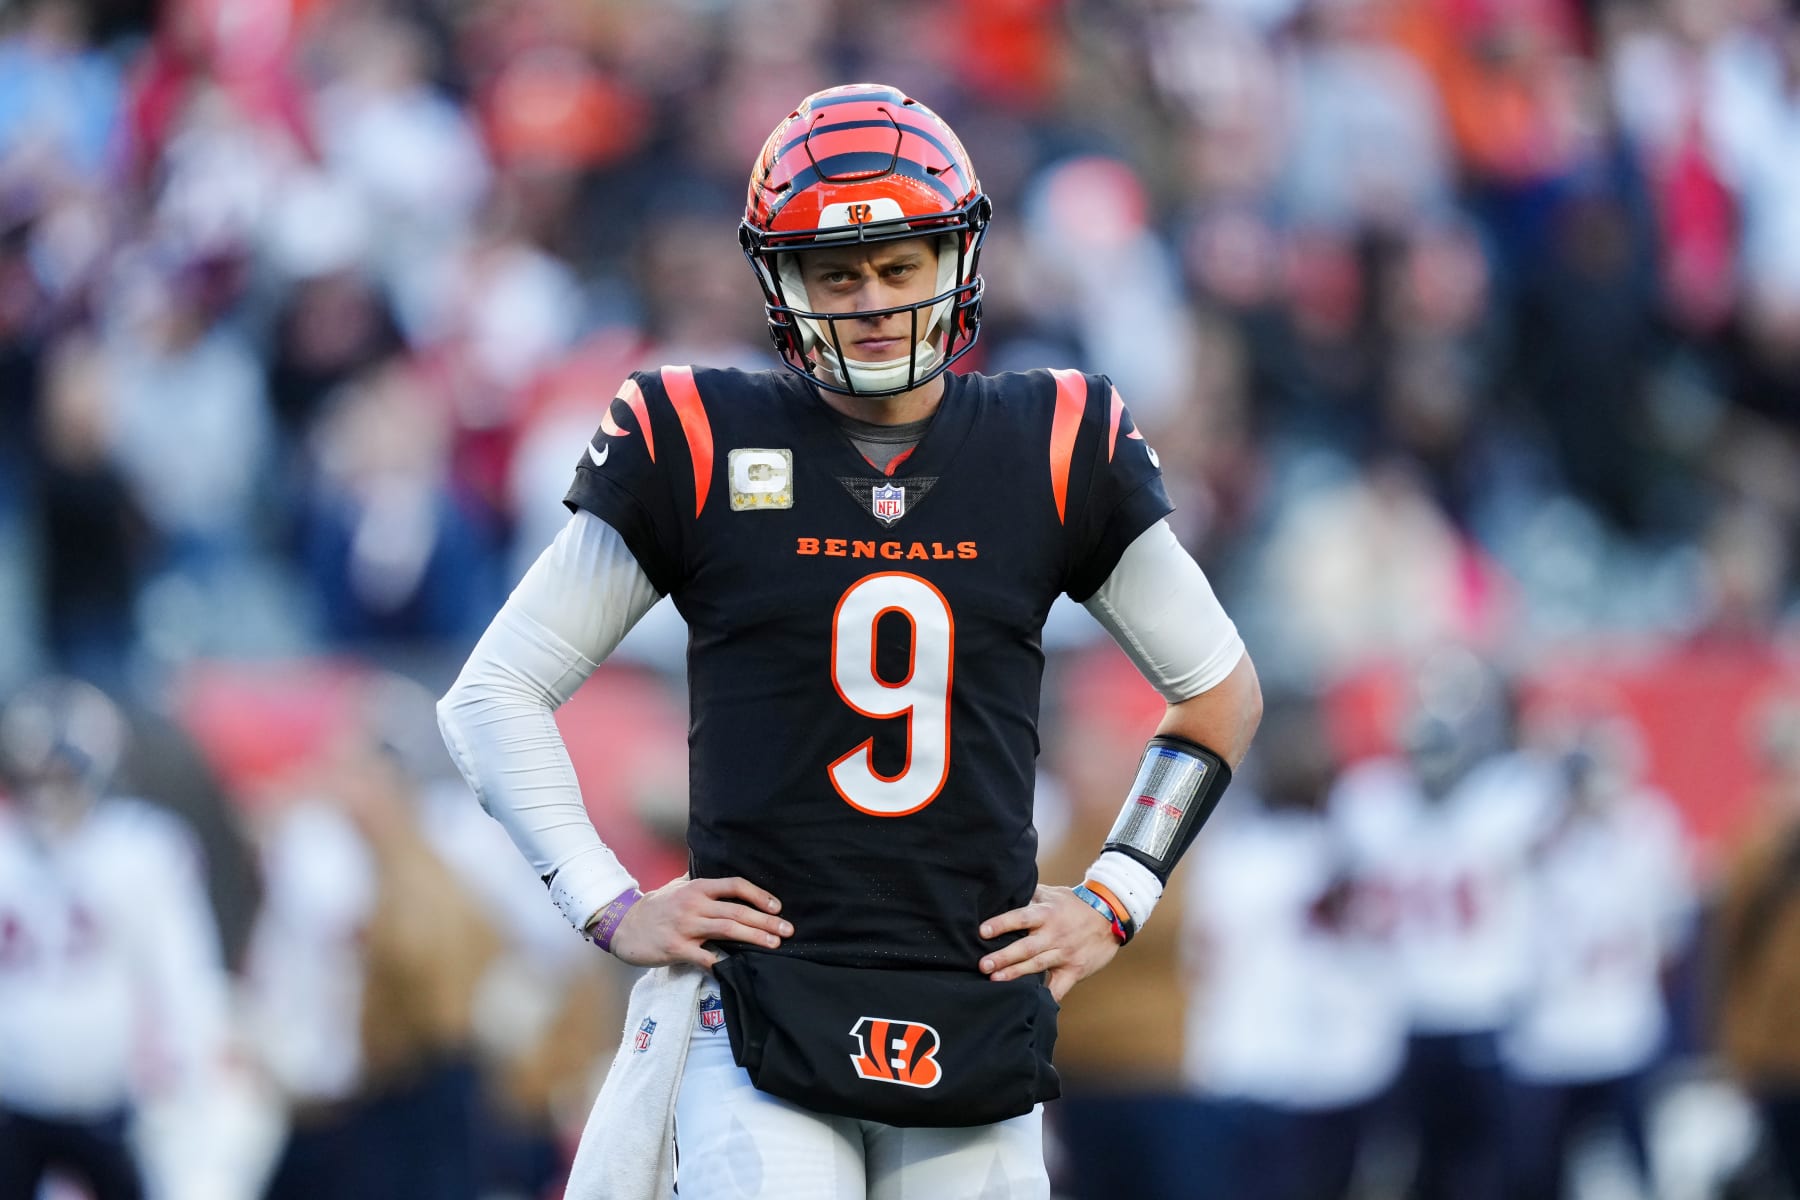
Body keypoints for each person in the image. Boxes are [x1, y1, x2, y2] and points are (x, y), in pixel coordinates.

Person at [438, 82, 1261, 1199]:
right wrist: (607, 899)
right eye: (837, 272)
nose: (871, 298)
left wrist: (1116, 893)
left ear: (954, 262)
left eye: (899, 264)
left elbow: (1217, 693)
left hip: (970, 1004)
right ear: (784, 282)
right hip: (760, 1009)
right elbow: (491, 694)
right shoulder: (695, 437)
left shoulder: (1056, 440)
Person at [0, 677, 233, 1200]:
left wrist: (195, 1079)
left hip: (108, 1102)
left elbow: (184, 976)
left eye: (60, 776)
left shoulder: (140, 850)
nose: (45, 796)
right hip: (12, 1100)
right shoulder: (7, 851)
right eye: (31, 778)